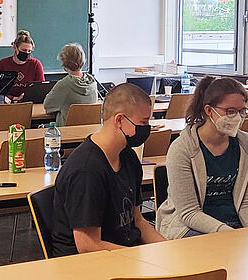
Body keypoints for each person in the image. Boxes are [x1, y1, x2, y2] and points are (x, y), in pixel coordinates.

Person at [51, 82, 166, 256]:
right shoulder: (86, 171)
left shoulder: (128, 157)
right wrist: (140, 260)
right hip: (88, 263)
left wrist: (168, 250)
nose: (147, 128)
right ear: (119, 120)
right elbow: (88, 245)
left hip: (123, 254)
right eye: (143, 122)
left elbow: (137, 220)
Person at [156, 76, 248, 238]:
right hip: (189, 226)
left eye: (242, 111)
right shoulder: (182, 149)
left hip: (233, 223)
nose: (237, 117)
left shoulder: (247, 145)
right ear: (209, 110)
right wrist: (228, 234)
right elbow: (189, 212)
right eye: (230, 111)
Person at [42, 43, 98, 126]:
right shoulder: (93, 83)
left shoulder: (64, 85)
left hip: (66, 131)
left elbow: (47, 106)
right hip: (88, 131)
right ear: (83, 60)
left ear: (64, 62)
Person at [0, 30, 44, 101]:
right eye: (24, 50)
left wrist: (26, 96)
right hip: (7, 102)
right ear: (15, 47)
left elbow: (41, 88)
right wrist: (14, 98)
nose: (26, 53)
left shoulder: (36, 64)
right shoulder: (3, 64)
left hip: (29, 101)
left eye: (29, 51)